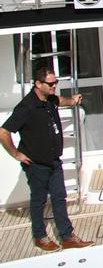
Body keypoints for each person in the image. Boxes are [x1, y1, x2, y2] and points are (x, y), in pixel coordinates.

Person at [0, 67, 94, 252]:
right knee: (39, 201)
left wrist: (73, 101)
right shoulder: (26, 107)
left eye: (55, 82)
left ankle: (67, 237)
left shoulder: (50, 99)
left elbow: (60, 100)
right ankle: (40, 237)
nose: (54, 86)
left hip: (53, 161)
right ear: (38, 84)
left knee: (59, 198)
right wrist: (16, 154)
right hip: (36, 164)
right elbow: (4, 132)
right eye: (50, 84)